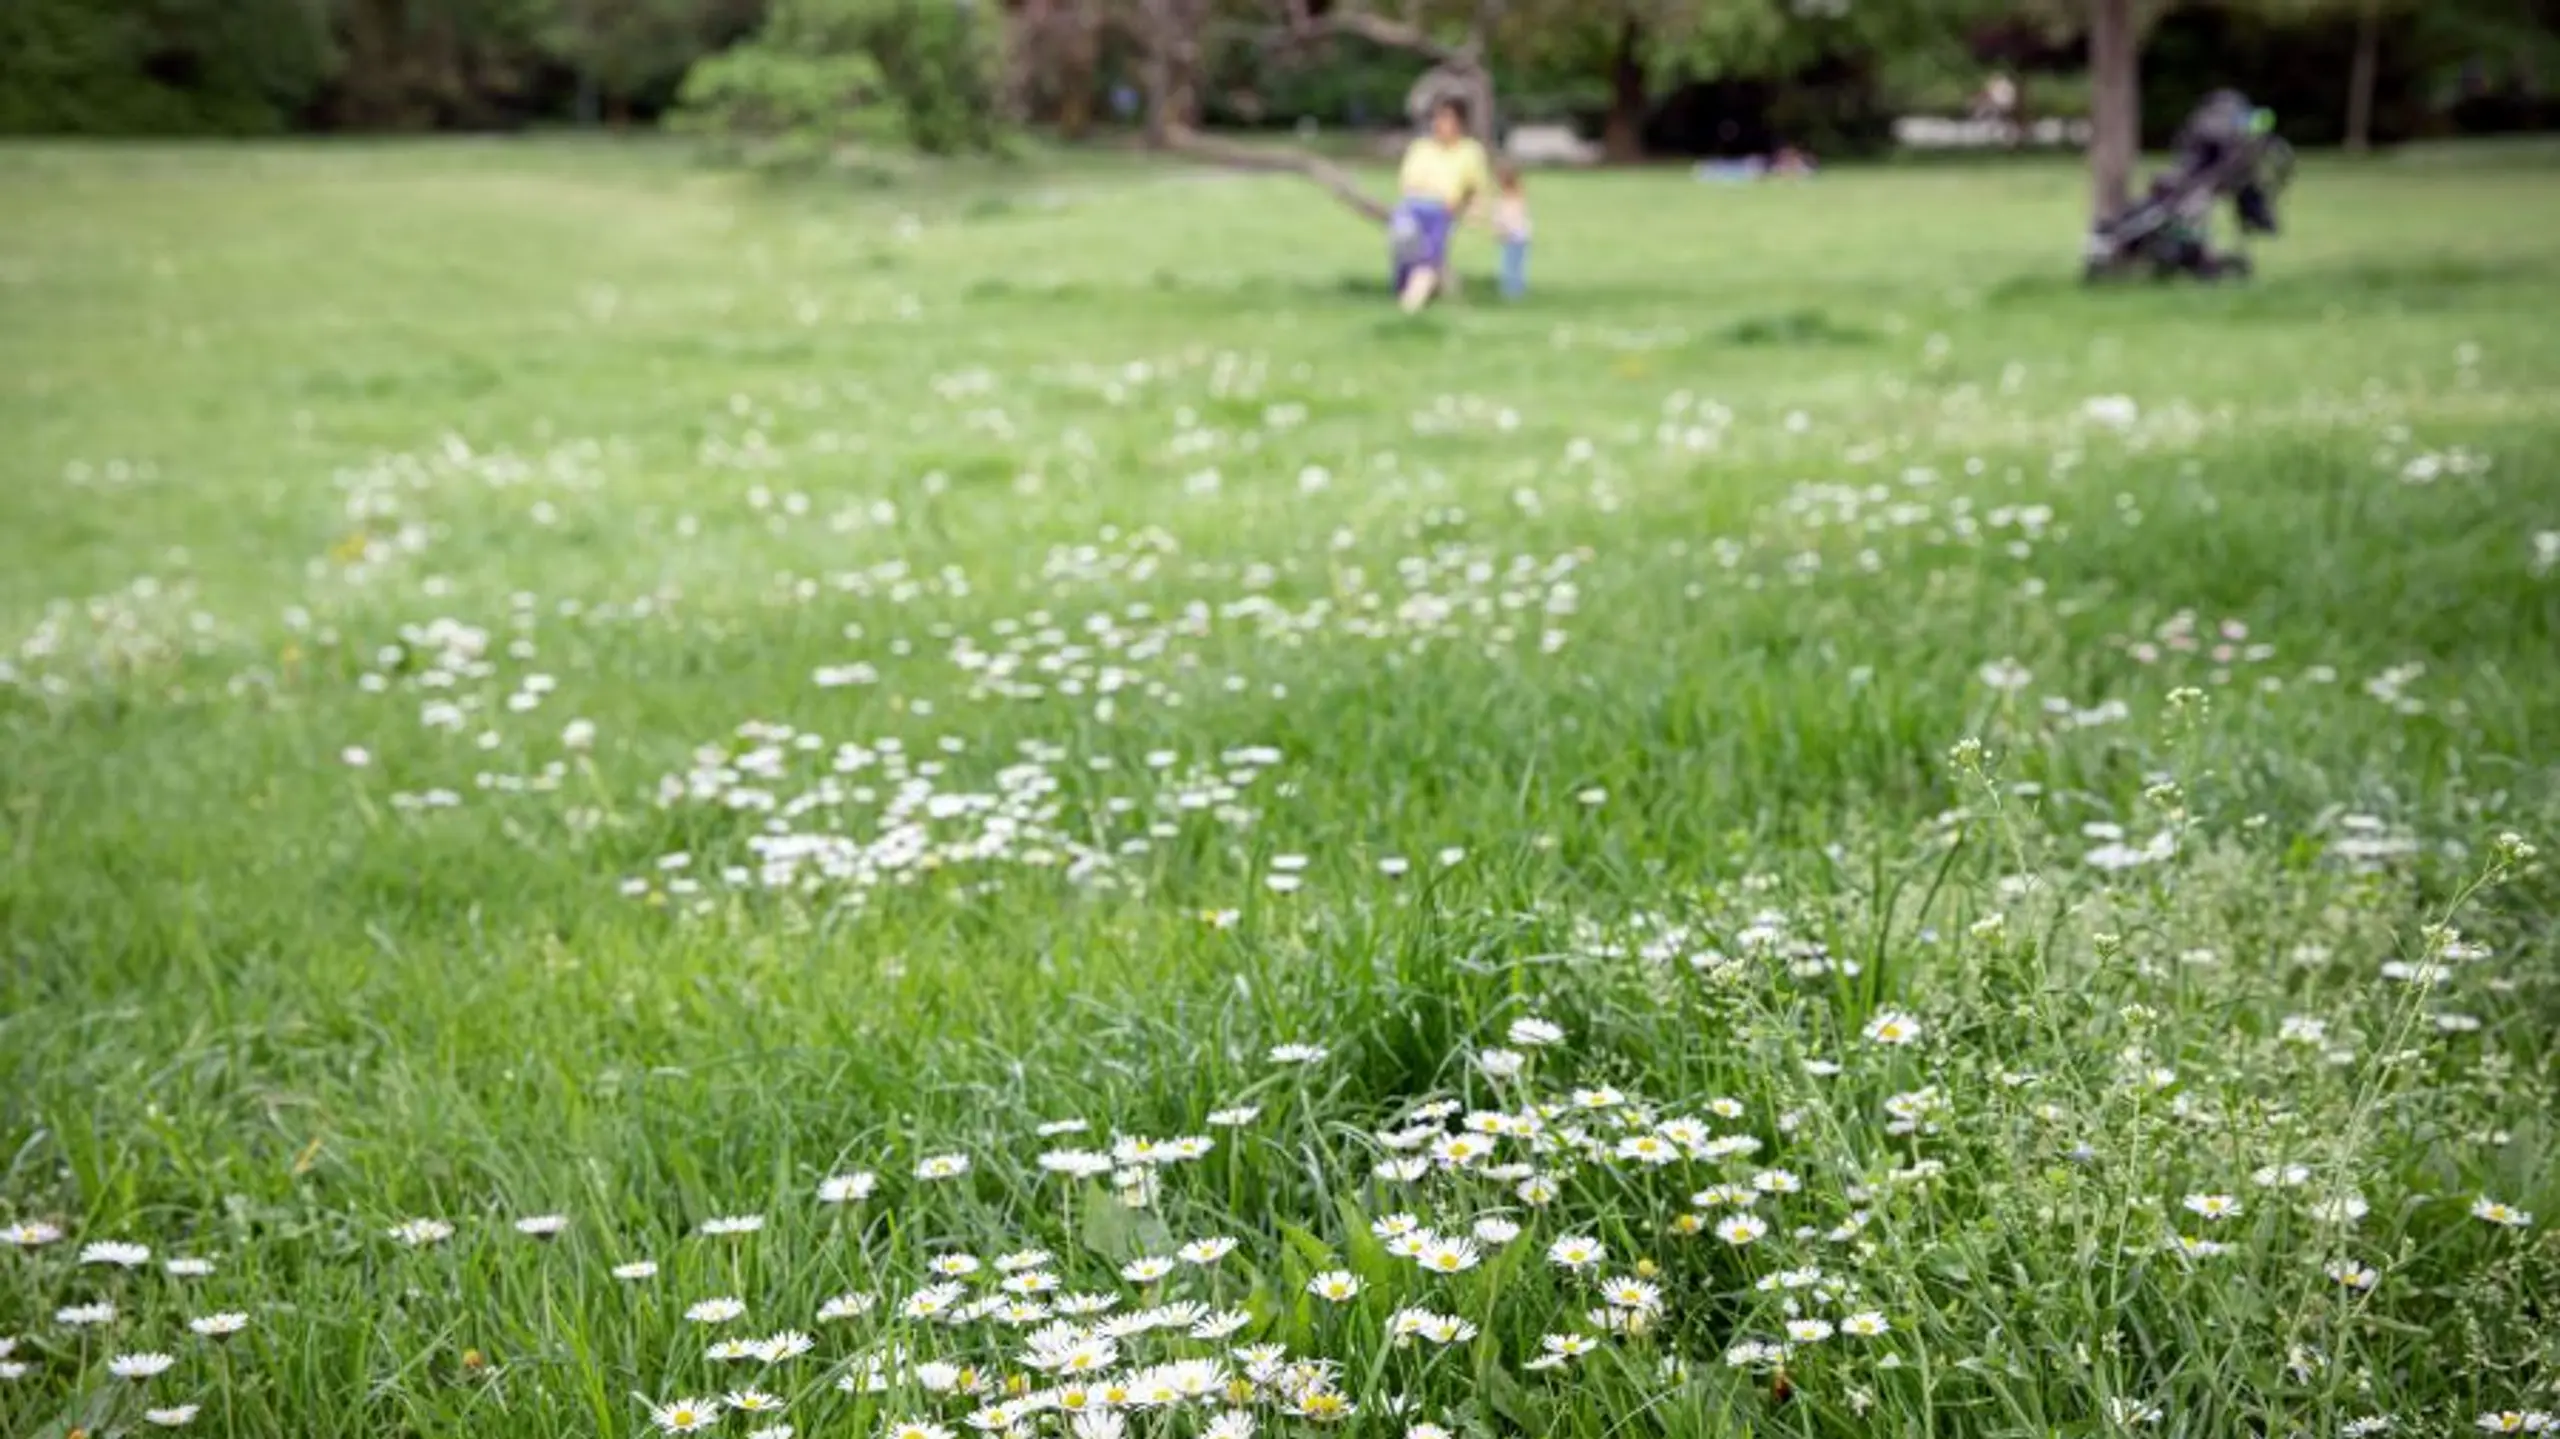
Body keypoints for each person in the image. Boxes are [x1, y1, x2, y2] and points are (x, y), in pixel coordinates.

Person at [1390, 97, 1491, 312]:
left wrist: (1474, 211)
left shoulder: (1470, 151)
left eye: (1446, 119)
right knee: (1405, 245)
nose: (1439, 124)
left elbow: (1476, 188)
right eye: (1437, 118)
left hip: (1443, 210)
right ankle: (1415, 289)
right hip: (1414, 207)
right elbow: (1407, 183)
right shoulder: (1421, 148)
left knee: (1427, 258)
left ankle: (1410, 305)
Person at [1492, 164, 1531, 300]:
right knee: (1514, 263)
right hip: (1518, 235)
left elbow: (1510, 218)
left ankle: (1511, 291)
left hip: (1513, 235)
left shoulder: (1510, 198)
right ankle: (1513, 289)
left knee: (1511, 264)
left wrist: (1502, 229)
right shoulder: (1512, 196)